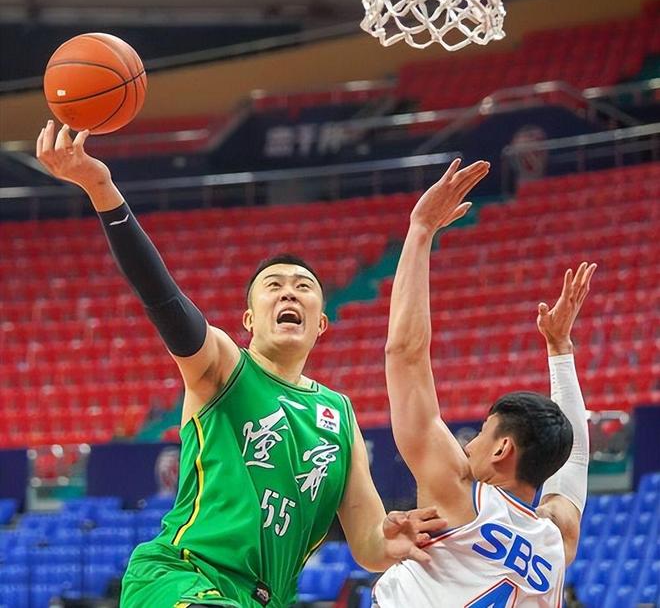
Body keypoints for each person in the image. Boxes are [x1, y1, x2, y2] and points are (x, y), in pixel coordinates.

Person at [36, 120, 446, 608]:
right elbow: (163, 299)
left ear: (321, 324)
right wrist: (102, 189)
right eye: (274, 286)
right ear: (249, 320)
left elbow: (368, 540)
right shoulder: (224, 367)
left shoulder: (339, 416)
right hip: (183, 577)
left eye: (303, 286)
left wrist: (390, 541)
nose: (289, 292)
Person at [375, 158, 595, 607]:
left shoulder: (459, 493)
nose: (469, 444)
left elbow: (405, 356)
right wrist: (559, 349)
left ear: (502, 449)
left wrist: (420, 231)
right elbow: (573, 459)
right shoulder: (553, 542)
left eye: (480, 434)